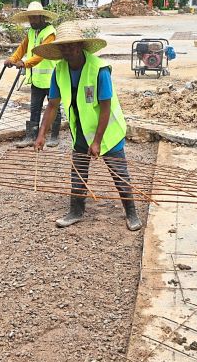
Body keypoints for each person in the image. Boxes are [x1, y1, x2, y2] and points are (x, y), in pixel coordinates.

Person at [33, 22, 142, 232]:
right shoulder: (59, 70)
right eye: (63, 46)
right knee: (79, 172)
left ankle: (131, 213)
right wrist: (41, 135)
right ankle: (76, 211)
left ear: (80, 45)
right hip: (81, 130)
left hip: (108, 131)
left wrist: (98, 141)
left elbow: (105, 107)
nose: (68, 50)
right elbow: (53, 105)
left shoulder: (99, 70)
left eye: (72, 45)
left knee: (119, 173)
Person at [5, 1, 59, 148]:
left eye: (34, 18)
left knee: (53, 106)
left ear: (41, 17)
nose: (32, 21)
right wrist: (13, 59)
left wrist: (25, 63)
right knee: (34, 108)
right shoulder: (31, 32)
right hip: (36, 78)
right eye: (30, 18)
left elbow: (43, 52)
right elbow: (22, 48)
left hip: (51, 78)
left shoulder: (50, 33)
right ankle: (31, 136)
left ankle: (54, 136)